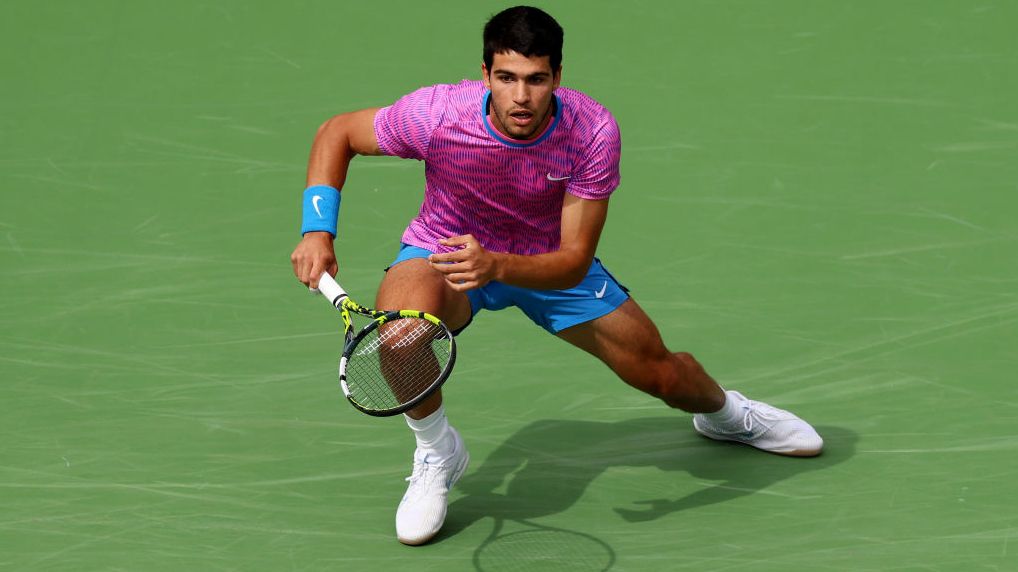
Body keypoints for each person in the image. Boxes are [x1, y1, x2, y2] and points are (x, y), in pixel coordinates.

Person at [290, 5, 823, 546]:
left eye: (536, 79)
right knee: (400, 339)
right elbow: (339, 133)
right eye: (507, 78)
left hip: (547, 263)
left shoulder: (592, 131)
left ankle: (728, 414)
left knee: (661, 373)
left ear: (557, 79)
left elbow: (573, 258)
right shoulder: (436, 115)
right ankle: (436, 452)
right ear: (485, 76)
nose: (521, 96)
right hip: (446, 248)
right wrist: (317, 230)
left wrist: (495, 264)